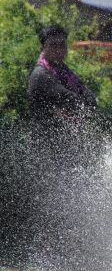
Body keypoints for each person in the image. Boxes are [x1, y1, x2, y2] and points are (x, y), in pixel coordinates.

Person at [27, 24, 99, 168]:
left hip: (67, 146)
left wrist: (87, 101)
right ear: (42, 48)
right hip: (47, 151)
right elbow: (71, 101)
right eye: (53, 45)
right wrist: (85, 103)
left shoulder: (65, 72)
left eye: (62, 45)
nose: (59, 50)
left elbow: (89, 97)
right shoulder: (41, 75)